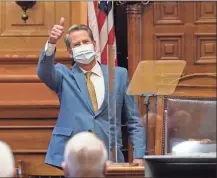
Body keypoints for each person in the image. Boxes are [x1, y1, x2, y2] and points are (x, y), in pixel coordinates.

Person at [36, 17, 146, 169]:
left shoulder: (119, 75)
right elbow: (43, 72)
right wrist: (52, 43)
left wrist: (139, 155)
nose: (82, 46)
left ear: (94, 45)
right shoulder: (63, 75)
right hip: (74, 156)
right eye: (76, 44)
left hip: (110, 154)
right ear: (70, 52)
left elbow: (133, 120)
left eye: (85, 42)